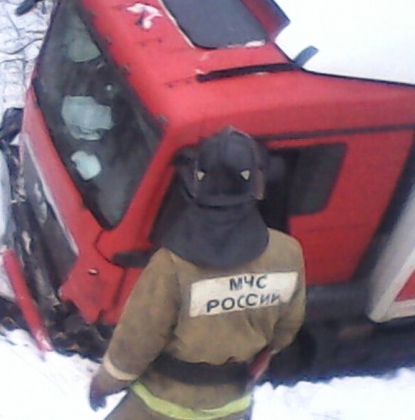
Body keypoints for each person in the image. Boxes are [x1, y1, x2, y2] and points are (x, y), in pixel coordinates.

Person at [88, 127, 306, 420]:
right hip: (231, 407)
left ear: (197, 182)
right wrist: (262, 358)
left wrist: (104, 383)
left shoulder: (171, 265)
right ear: (256, 185)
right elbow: (286, 329)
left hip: (158, 406)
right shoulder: (287, 254)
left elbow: (136, 342)